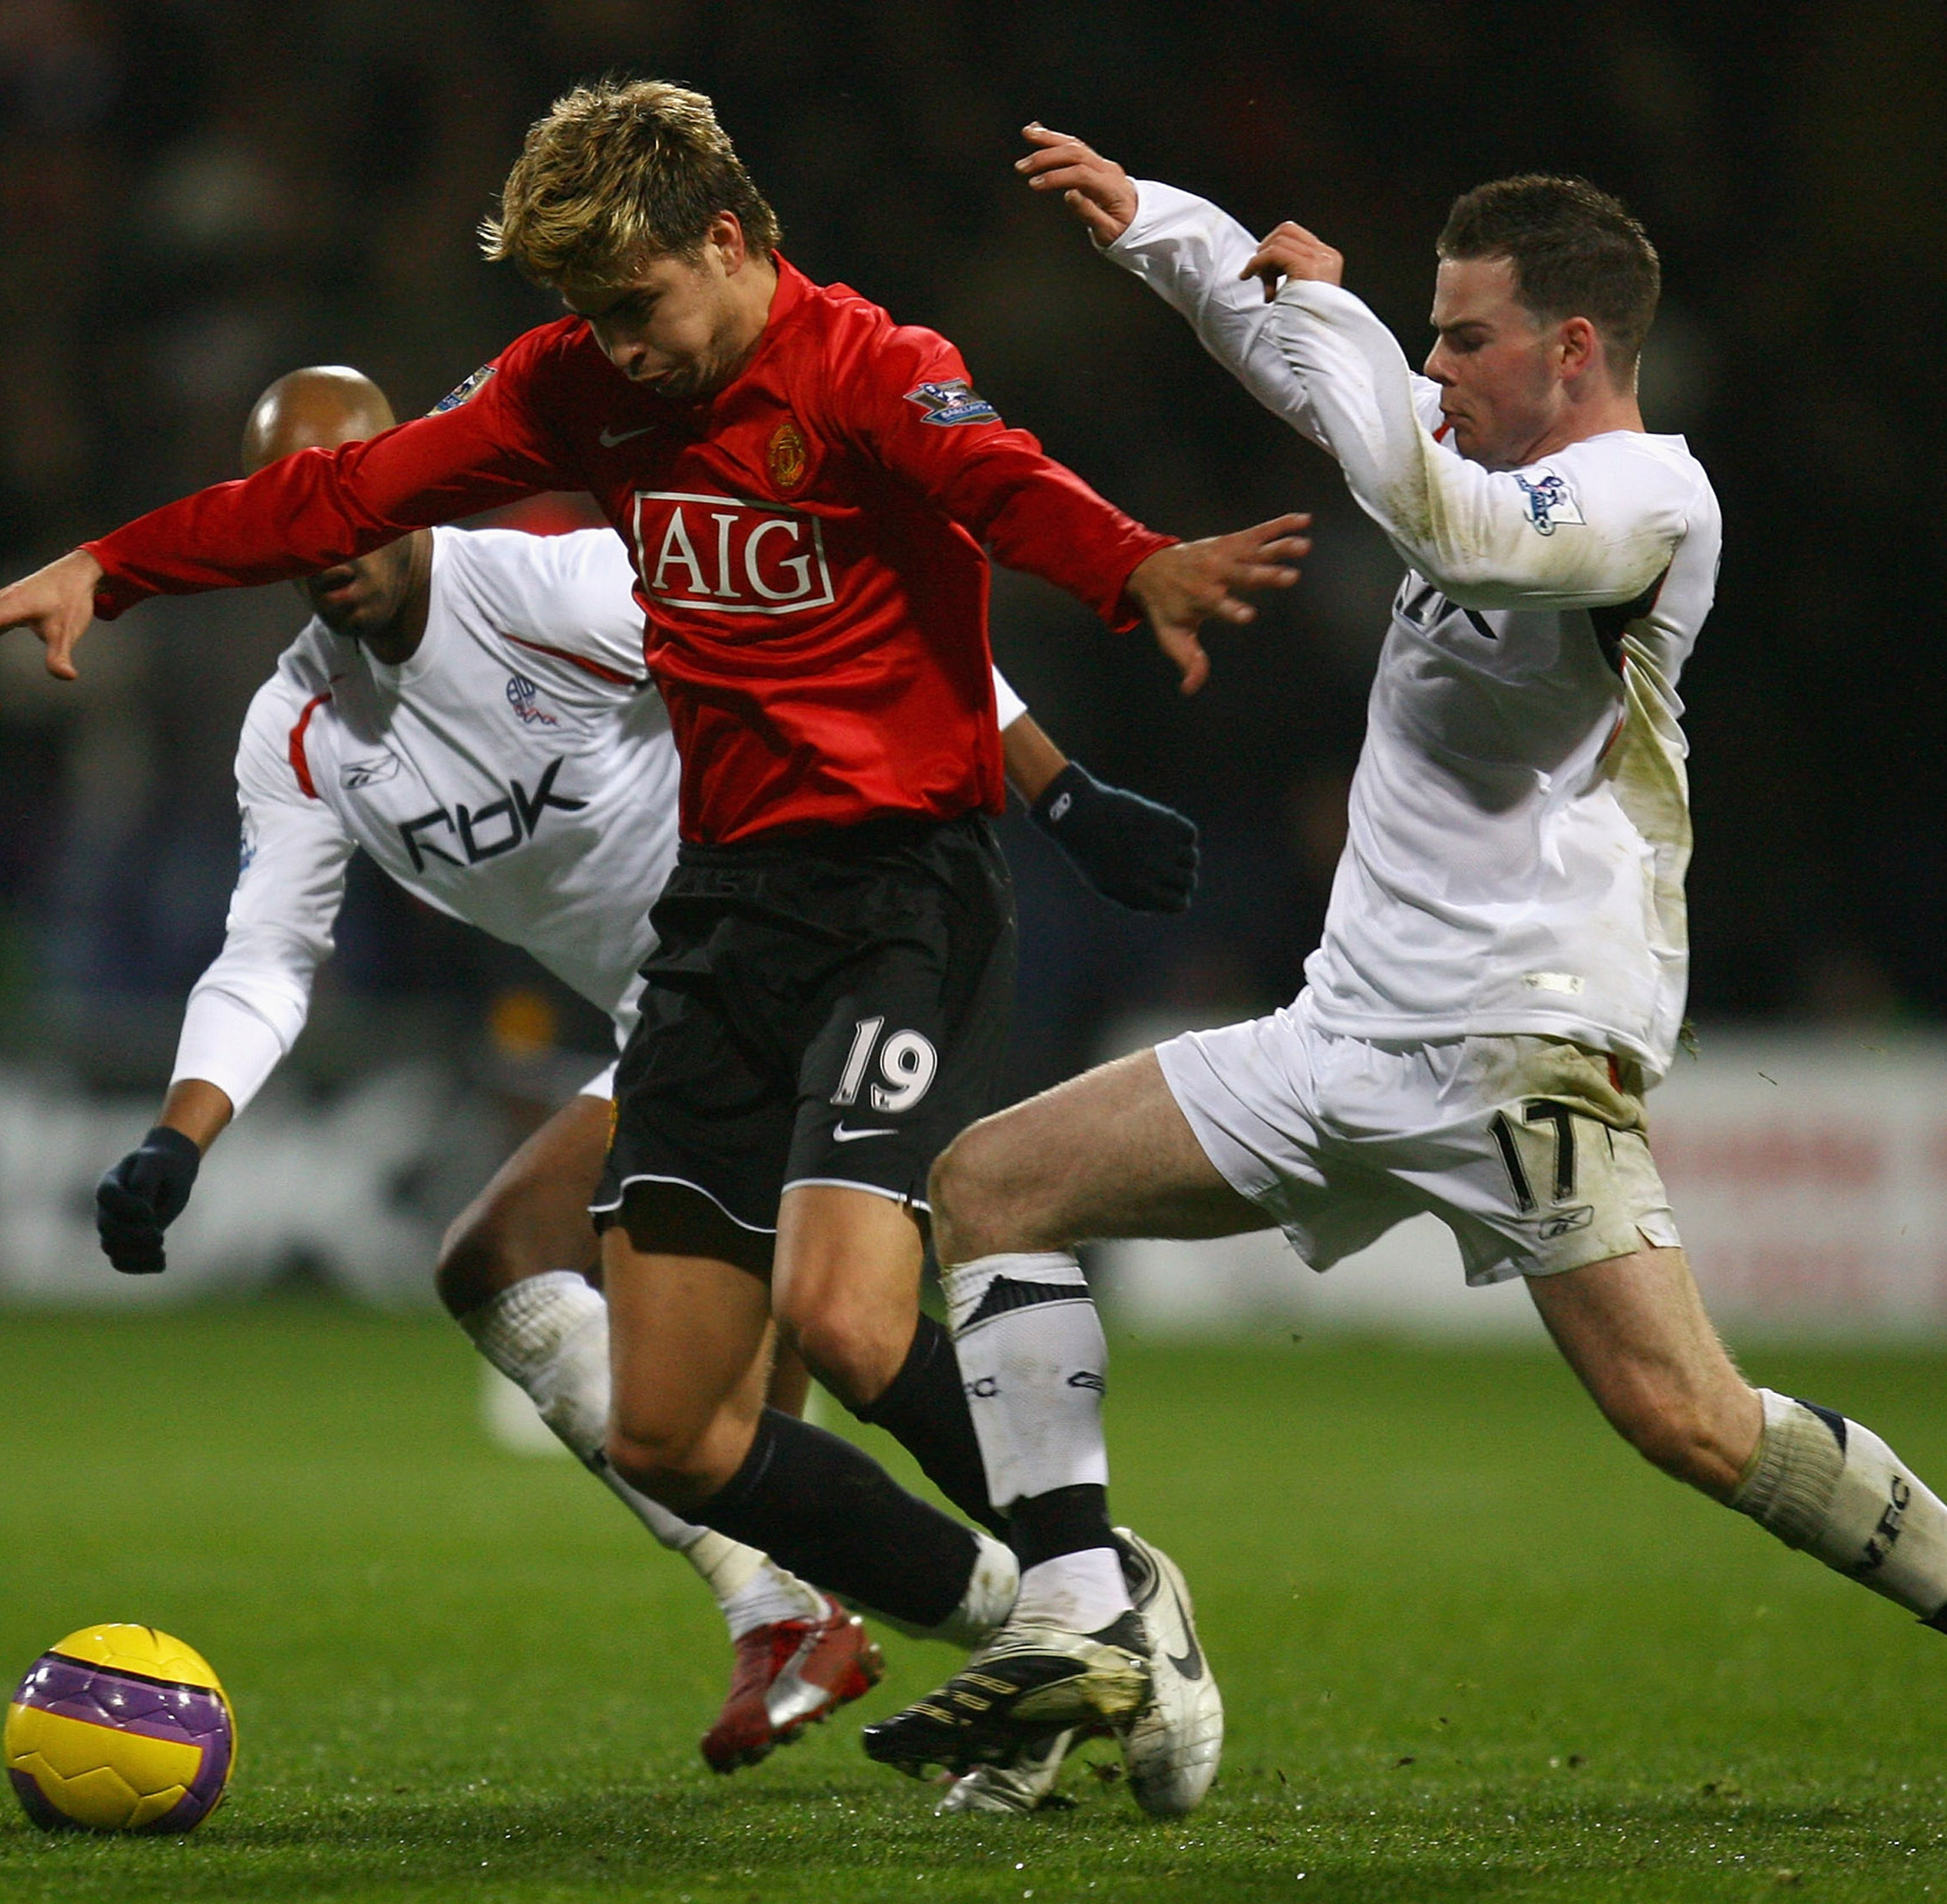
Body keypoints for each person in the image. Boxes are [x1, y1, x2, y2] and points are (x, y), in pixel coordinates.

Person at [0, 81, 1304, 1816]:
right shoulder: (569, 397)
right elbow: (328, 496)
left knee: (842, 1305)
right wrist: (99, 571)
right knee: (667, 1426)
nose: (618, 348)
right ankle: (1004, 1609)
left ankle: (1100, 1584)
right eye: (586, 315)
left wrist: (1129, 582)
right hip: (721, 926)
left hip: (903, 879)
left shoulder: (869, 363)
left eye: (637, 304)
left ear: (732, 239)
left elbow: (994, 480)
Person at [870, 128, 1947, 1860]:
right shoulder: (1459, 429)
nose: (1433, 364)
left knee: (1690, 1419)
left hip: (1520, 1049)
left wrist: (1342, 336)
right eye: (1423, 332)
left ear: (1573, 346)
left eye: (1463, 336)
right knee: (988, 1185)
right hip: (1340, 1030)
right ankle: (1085, 1613)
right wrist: (1162, 228)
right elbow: (1298, 348)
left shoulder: (1652, 500)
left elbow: (1464, 530)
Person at [85, 364, 1202, 1775]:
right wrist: (180, 1138)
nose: (329, 544)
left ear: (409, 481)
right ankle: (1001, 1609)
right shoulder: (300, 731)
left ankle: (1068, 1586)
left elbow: (849, 629)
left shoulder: (551, 590)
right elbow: (267, 956)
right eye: (289, 518)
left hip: (820, 941)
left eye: (351, 504)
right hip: (679, 1020)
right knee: (591, 1331)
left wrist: (1056, 785)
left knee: (822, 1330)